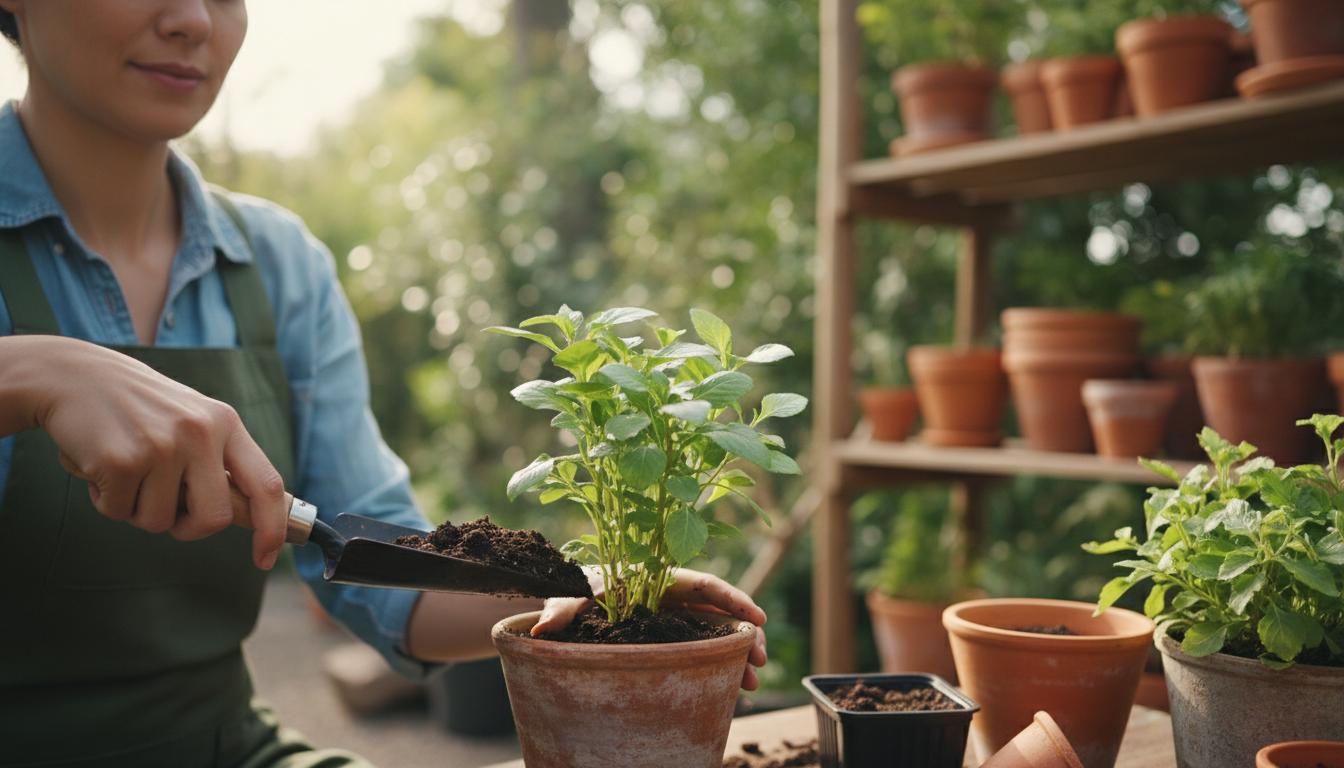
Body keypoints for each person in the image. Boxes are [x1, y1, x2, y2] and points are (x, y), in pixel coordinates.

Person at [0, 2, 768, 766]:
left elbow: (381, 574)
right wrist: (37, 372)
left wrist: (603, 593)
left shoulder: (278, 264)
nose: (194, 19)